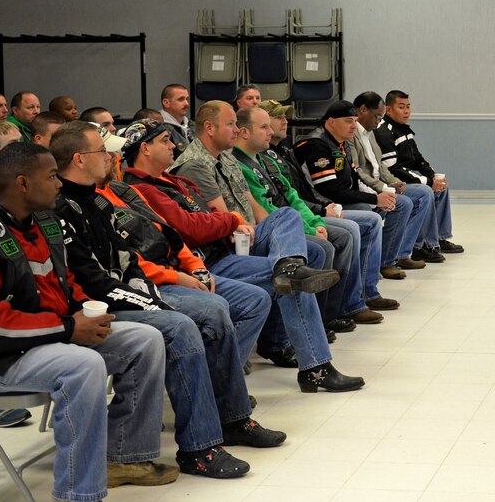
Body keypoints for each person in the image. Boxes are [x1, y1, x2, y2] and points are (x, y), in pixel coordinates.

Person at [0, 141, 176, 500]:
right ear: (22, 184)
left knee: (145, 339)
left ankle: (125, 458)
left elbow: (62, 284)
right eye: (50, 176)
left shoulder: (42, 220)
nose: (59, 182)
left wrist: (84, 308)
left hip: (37, 338)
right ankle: (78, 492)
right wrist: (68, 329)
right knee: (83, 365)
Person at [50, 120, 284, 477]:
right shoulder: (62, 208)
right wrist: (155, 300)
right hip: (95, 308)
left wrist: (148, 288)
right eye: (102, 150)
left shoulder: (96, 198)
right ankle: (199, 447)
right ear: (79, 159)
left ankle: (232, 418)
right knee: (181, 325)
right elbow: (93, 284)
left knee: (215, 311)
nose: (111, 156)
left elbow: (127, 255)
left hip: (129, 292)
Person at [124, 116, 365, 392]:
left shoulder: (172, 181)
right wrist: (232, 220)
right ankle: (312, 368)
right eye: (164, 141)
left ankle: (289, 268)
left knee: (286, 219)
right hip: (208, 262)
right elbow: (190, 228)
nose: (173, 145)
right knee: (291, 281)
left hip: (225, 246)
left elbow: (210, 215)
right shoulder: (145, 189)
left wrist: (227, 222)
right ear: (144, 149)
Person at [233, 106, 391, 326]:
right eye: (265, 126)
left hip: (304, 215)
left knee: (350, 230)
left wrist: (315, 221)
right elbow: (268, 211)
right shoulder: (240, 164)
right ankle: (322, 316)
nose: (271, 130)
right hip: (274, 229)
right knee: (328, 243)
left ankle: (342, 306)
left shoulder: (267, 158)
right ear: (244, 132)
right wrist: (312, 223)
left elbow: (293, 195)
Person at [296, 100, 424, 280]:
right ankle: (366, 281)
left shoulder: (342, 142)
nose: (354, 126)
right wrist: (374, 199)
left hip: (341, 198)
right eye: (349, 121)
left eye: (355, 121)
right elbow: (330, 190)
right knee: (366, 212)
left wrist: (379, 195)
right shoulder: (316, 144)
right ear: (331, 121)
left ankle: (385, 262)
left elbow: (355, 176)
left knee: (400, 203)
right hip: (325, 203)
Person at [374, 90, 464, 259]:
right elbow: (394, 170)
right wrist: (428, 181)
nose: (406, 111)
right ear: (389, 109)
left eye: (408, 107)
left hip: (406, 177)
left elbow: (418, 160)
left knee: (441, 188)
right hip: (393, 183)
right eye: (401, 107)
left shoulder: (404, 130)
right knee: (426, 191)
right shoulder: (384, 132)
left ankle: (440, 237)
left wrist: (434, 176)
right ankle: (422, 245)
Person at [352, 91, 436, 268]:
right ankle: (391, 257)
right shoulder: (354, 135)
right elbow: (358, 171)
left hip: (380, 185)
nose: (378, 121)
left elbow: (380, 164)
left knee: (428, 190)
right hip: (366, 189)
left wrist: (393, 182)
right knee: (412, 199)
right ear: (362, 110)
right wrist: (383, 188)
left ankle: (422, 246)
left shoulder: (371, 132)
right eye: (377, 116)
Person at [160, 84, 194, 154]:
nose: (186, 103)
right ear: (166, 103)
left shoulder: (193, 125)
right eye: (181, 99)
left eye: (187, 99)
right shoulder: (160, 128)